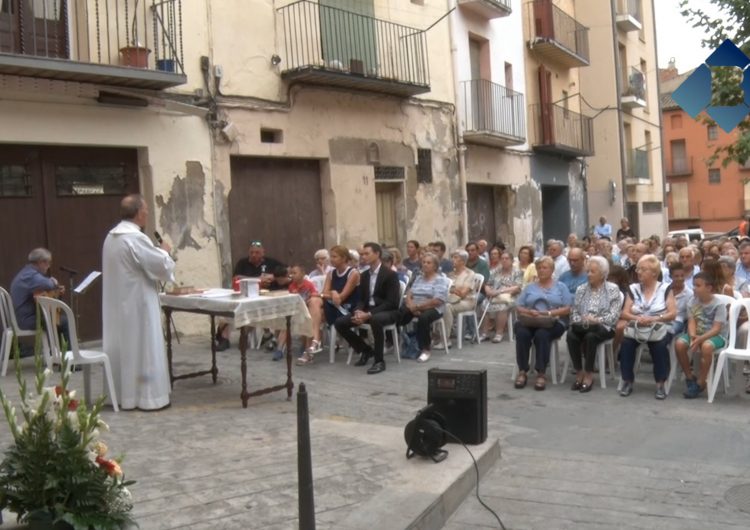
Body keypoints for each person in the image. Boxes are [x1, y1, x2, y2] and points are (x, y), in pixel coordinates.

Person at [102, 194, 175, 411]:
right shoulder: (135, 238)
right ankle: (149, 397)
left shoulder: (111, 237)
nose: (147, 214)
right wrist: (165, 252)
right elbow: (161, 266)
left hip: (119, 305)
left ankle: (126, 395)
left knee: (125, 349)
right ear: (139, 213)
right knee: (144, 348)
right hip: (138, 305)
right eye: (146, 211)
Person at [335, 242, 400, 375]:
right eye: (362, 254)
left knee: (376, 319)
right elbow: (361, 299)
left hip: (387, 311)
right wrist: (359, 311)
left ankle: (379, 361)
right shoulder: (364, 275)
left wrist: (368, 314)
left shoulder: (390, 275)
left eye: (366, 254)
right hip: (368, 310)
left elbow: (391, 302)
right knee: (340, 323)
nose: (363, 257)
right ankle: (365, 350)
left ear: (377, 254)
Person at [617, 255, 677, 399]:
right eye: (638, 269)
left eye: (643, 269)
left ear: (654, 273)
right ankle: (627, 380)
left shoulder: (665, 288)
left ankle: (660, 383)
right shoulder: (633, 288)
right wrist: (638, 318)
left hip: (659, 327)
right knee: (626, 343)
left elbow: (673, 313)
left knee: (660, 345)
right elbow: (624, 313)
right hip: (637, 327)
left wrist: (655, 318)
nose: (638, 272)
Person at [513, 256, 572, 391]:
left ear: (552, 270)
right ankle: (522, 370)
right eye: (539, 268)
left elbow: (568, 308)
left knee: (542, 334)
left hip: (553, 321)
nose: (541, 270)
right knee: (521, 333)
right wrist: (529, 311)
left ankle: (541, 372)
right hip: (531, 320)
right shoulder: (529, 287)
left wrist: (548, 313)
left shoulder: (561, 287)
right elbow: (518, 306)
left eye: (545, 268)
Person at [566, 256, 622, 392]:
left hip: (604, 326)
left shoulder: (612, 289)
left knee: (591, 336)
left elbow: (614, 316)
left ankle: (589, 374)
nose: (589, 274)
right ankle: (579, 372)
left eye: (593, 272)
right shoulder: (581, 289)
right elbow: (574, 312)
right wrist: (583, 319)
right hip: (583, 324)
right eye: (588, 271)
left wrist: (597, 320)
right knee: (571, 335)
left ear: (603, 274)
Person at [674, 273, 728, 399]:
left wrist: (699, 340)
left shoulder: (719, 305)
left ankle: (701, 382)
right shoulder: (692, 301)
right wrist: (693, 337)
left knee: (707, 347)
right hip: (697, 334)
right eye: (693, 285)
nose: (694, 288)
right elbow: (692, 322)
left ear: (709, 288)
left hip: (716, 336)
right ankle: (689, 377)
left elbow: (716, 329)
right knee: (679, 344)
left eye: (698, 285)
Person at [398, 252, 449, 363]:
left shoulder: (441, 280)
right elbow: (409, 294)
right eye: (424, 262)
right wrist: (411, 305)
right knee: (400, 314)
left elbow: (437, 301)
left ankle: (425, 349)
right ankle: (402, 341)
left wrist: (418, 307)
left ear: (435, 266)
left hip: (433, 308)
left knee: (424, 318)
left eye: (428, 263)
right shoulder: (419, 278)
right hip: (415, 307)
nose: (425, 265)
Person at [10, 248, 64, 333]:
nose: (49, 266)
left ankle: (55, 346)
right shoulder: (30, 276)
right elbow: (48, 284)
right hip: (26, 320)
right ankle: (66, 346)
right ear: (41, 262)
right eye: (48, 263)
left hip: (21, 318)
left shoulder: (26, 272)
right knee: (63, 321)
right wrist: (54, 282)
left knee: (57, 319)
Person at [480, 250, 522, 343]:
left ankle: (499, 333)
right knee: (485, 303)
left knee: (502, 307)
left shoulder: (517, 272)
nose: (504, 260)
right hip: (494, 296)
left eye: (507, 258)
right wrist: (488, 291)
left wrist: (500, 291)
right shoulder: (495, 271)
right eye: (502, 259)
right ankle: (484, 333)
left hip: (511, 296)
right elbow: (488, 283)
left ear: (512, 260)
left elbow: (517, 287)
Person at [438, 250, 476, 348]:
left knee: (447, 307)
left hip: (467, 301)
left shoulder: (469, 274)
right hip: (451, 299)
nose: (452, 260)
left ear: (463, 261)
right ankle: (436, 336)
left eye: (455, 258)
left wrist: (452, 288)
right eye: (452, 257)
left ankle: (445, 340)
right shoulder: (450, 274)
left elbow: (463, 294)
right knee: (437, 304)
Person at [288, 265, 324, 365]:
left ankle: (308, 350)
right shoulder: (292, 286)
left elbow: (315, 295)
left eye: (295, 273)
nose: (292, 275)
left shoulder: (309, 284)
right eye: (291, 273)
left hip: (311, 308)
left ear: (303, 274)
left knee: (309, 318)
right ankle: (311, 346)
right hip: (300, 310)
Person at [321, 245, 360, 326]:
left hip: (347, 307)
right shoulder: (331, 273)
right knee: (315, 304)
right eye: (330, 256)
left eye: (334, 257)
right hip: (333, 304)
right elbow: (324, 292)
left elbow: (341, 297)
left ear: (344, 258)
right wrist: (333, 292)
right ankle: (317, 337)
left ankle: (317, 336)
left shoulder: (353, 273)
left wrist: (330, 294)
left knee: (317, 308)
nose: (331, 259)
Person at [668, 262, 693, 336]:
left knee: (667, 332)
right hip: (661, 319)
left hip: (678, 320)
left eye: (682, 276)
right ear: (670, 276)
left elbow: (689, 315)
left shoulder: (689, 293)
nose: (680, 279)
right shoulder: (664, 289)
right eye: (676, 276)